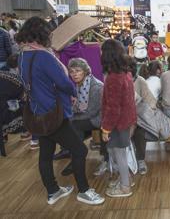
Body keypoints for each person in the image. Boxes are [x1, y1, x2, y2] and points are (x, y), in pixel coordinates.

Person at [16, 16, 104, 205]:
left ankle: (53, 191)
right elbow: (63, 82)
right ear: (42, 34)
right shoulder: (43, 56)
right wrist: (72, 91)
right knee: (79, 150)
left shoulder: (23, 55)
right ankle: (84, 191)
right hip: (54, 113)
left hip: (37, 112)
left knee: (45, 154)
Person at [101, 39, 136, 198]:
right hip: (126, 121)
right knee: (120, 153)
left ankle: (125, 186)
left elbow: (113, 107)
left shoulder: (113, 78)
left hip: (117, 124)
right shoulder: (126, 73)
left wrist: (106, 128)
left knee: (119, 154)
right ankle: (126, 178)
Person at [59, 58, 104, 176]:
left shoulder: (95, 87)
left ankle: (76, 158)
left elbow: (91, 112)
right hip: (90, 115)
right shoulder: (81, 84)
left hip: (99, 119)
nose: (74, 74)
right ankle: (73, 154)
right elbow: (80, 106)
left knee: (73, 125)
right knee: (67, 123)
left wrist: (72, 117)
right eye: (72, 71)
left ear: (85, 71)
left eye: (78, 71)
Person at [126, 56, 157, 175]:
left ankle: (140, 159)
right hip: (122, 118)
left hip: (138, 116)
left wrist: (147, 112)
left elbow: (150, 100)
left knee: (139, 132)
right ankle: (111, 161)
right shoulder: (115, 81)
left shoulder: (139, 81)